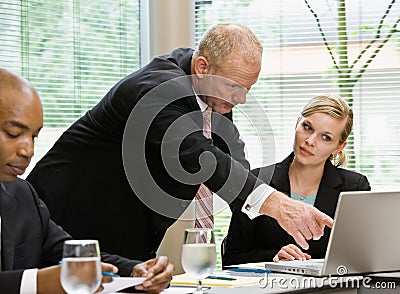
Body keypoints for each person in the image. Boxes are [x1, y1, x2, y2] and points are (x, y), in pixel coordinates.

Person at [27, 23, 333, 263]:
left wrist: (280, 233)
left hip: (125, 236)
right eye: (235, 87)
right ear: (202, 67)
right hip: (60, 221)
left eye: (247, 89)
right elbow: (199, 156)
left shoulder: (216, 95)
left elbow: (235, 172)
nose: (241, 99)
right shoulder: (158, 90)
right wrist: (280, 205)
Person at [0, 68, 173, 294]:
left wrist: (135, 270)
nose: (28, 150)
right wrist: (36, 283)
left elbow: (64, 253)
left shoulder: (22, 194)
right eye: (13, 133)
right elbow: (41, 278)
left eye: (34, 137)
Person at [222, 94, 371, 266]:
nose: (310, 141)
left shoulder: (354, 187)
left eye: (326, 137)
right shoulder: (256, 181)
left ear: (339, 147)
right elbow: (231, 258)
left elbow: (362, 258)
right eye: (307, 127)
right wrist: (274, 256)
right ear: (297, 123)